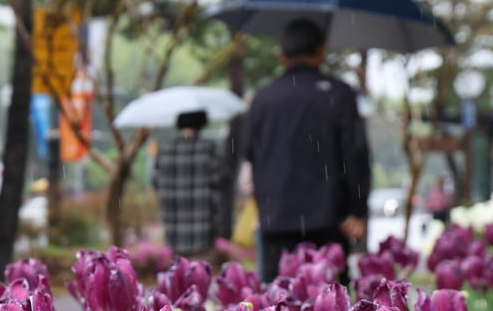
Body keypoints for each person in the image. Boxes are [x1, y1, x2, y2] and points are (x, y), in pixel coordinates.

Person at [242, 18, 370, 283]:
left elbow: (249, 155)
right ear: (321, 51)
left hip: (276, 220)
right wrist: (357, 209)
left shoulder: (262, 99)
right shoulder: (339, 94)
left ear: (282, 56)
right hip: (329, 221)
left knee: (278, 310)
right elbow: (354, 154)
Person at [152, 109, 226, 262]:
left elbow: (155, 182)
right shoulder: (208, 148)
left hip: (173, 224)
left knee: (178, 274)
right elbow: (221, 179)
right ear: (202, 123)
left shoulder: (165, 149)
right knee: (200, 272)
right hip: (203, 223)